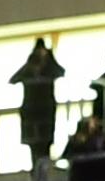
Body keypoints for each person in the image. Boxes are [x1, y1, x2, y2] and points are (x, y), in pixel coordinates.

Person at [13, 37, 66, 170]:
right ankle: (35, 170)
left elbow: (61, 72)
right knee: (34, 145)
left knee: (45, 144)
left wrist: (49, 58)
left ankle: (44, 171)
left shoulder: (49, 67)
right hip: (31, 112)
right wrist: (30, 66)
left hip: (45, 112)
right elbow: (14, 79)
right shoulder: (29, 66)